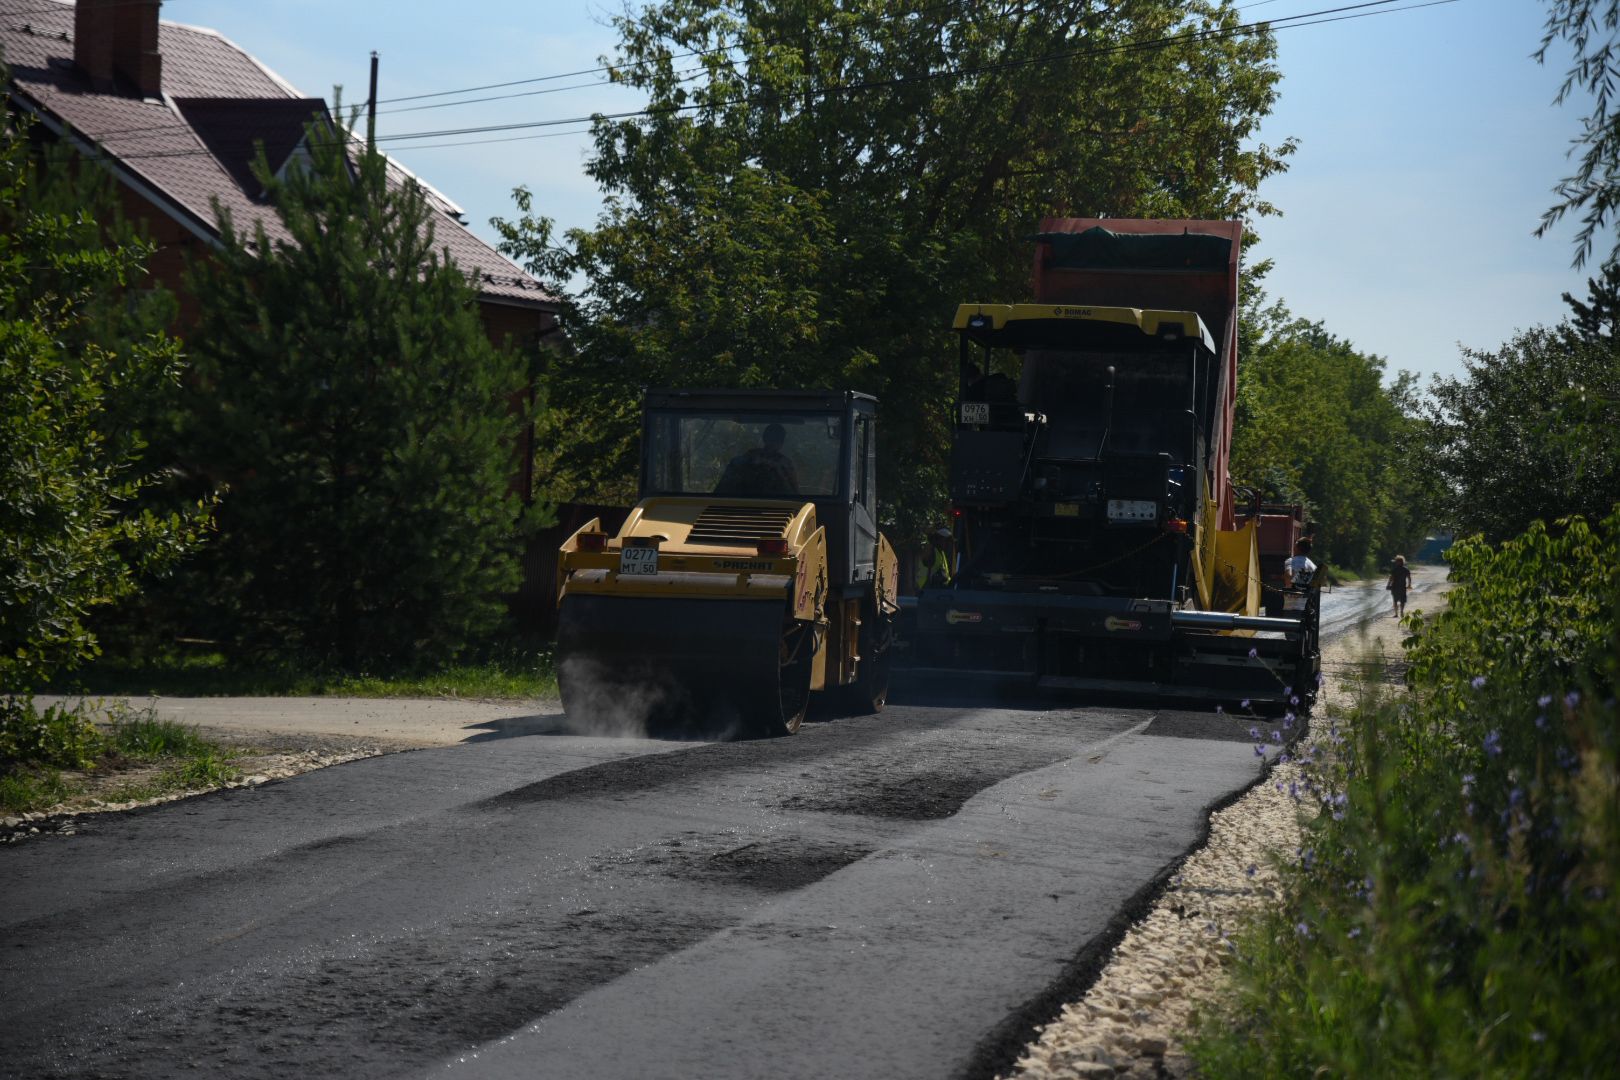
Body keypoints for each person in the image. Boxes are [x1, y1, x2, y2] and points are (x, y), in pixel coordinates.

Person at [716, 422, 799, 496]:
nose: (773, 442)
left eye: (776, 439)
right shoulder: (745, 460)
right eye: (771, 438)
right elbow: (721, 492)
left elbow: (794, 495)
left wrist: (778, 471)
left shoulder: (784, 465)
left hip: (779, 507)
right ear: (765, 438)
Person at [911, 527, 953, 593]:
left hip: (938, 590)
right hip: (927, 588)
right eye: (945, 540)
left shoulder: (941, 553)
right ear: (938, 539)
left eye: (948, 542)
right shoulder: (931, 550)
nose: (947, 544)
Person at [1282, 537, 1317, 612]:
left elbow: (1289, 577)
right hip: (1307, 604)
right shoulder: (1313, 565)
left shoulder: (1291, 561)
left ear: (1296, 548)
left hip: (1291, 603)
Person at [1386, 554, 1413, 619]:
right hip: (1402, 587)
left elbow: (1391, 578)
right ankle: (1401, 611)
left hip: (1395, 587)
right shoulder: (1406, 570)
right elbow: (1409, 578)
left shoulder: (1394, 570)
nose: (1396, 562)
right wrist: (1409, 585)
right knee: (1402, 600)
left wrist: (1388, 585)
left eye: (1396, 561)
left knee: (1395, 600)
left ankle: (1396, 614)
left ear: (1399, 562)